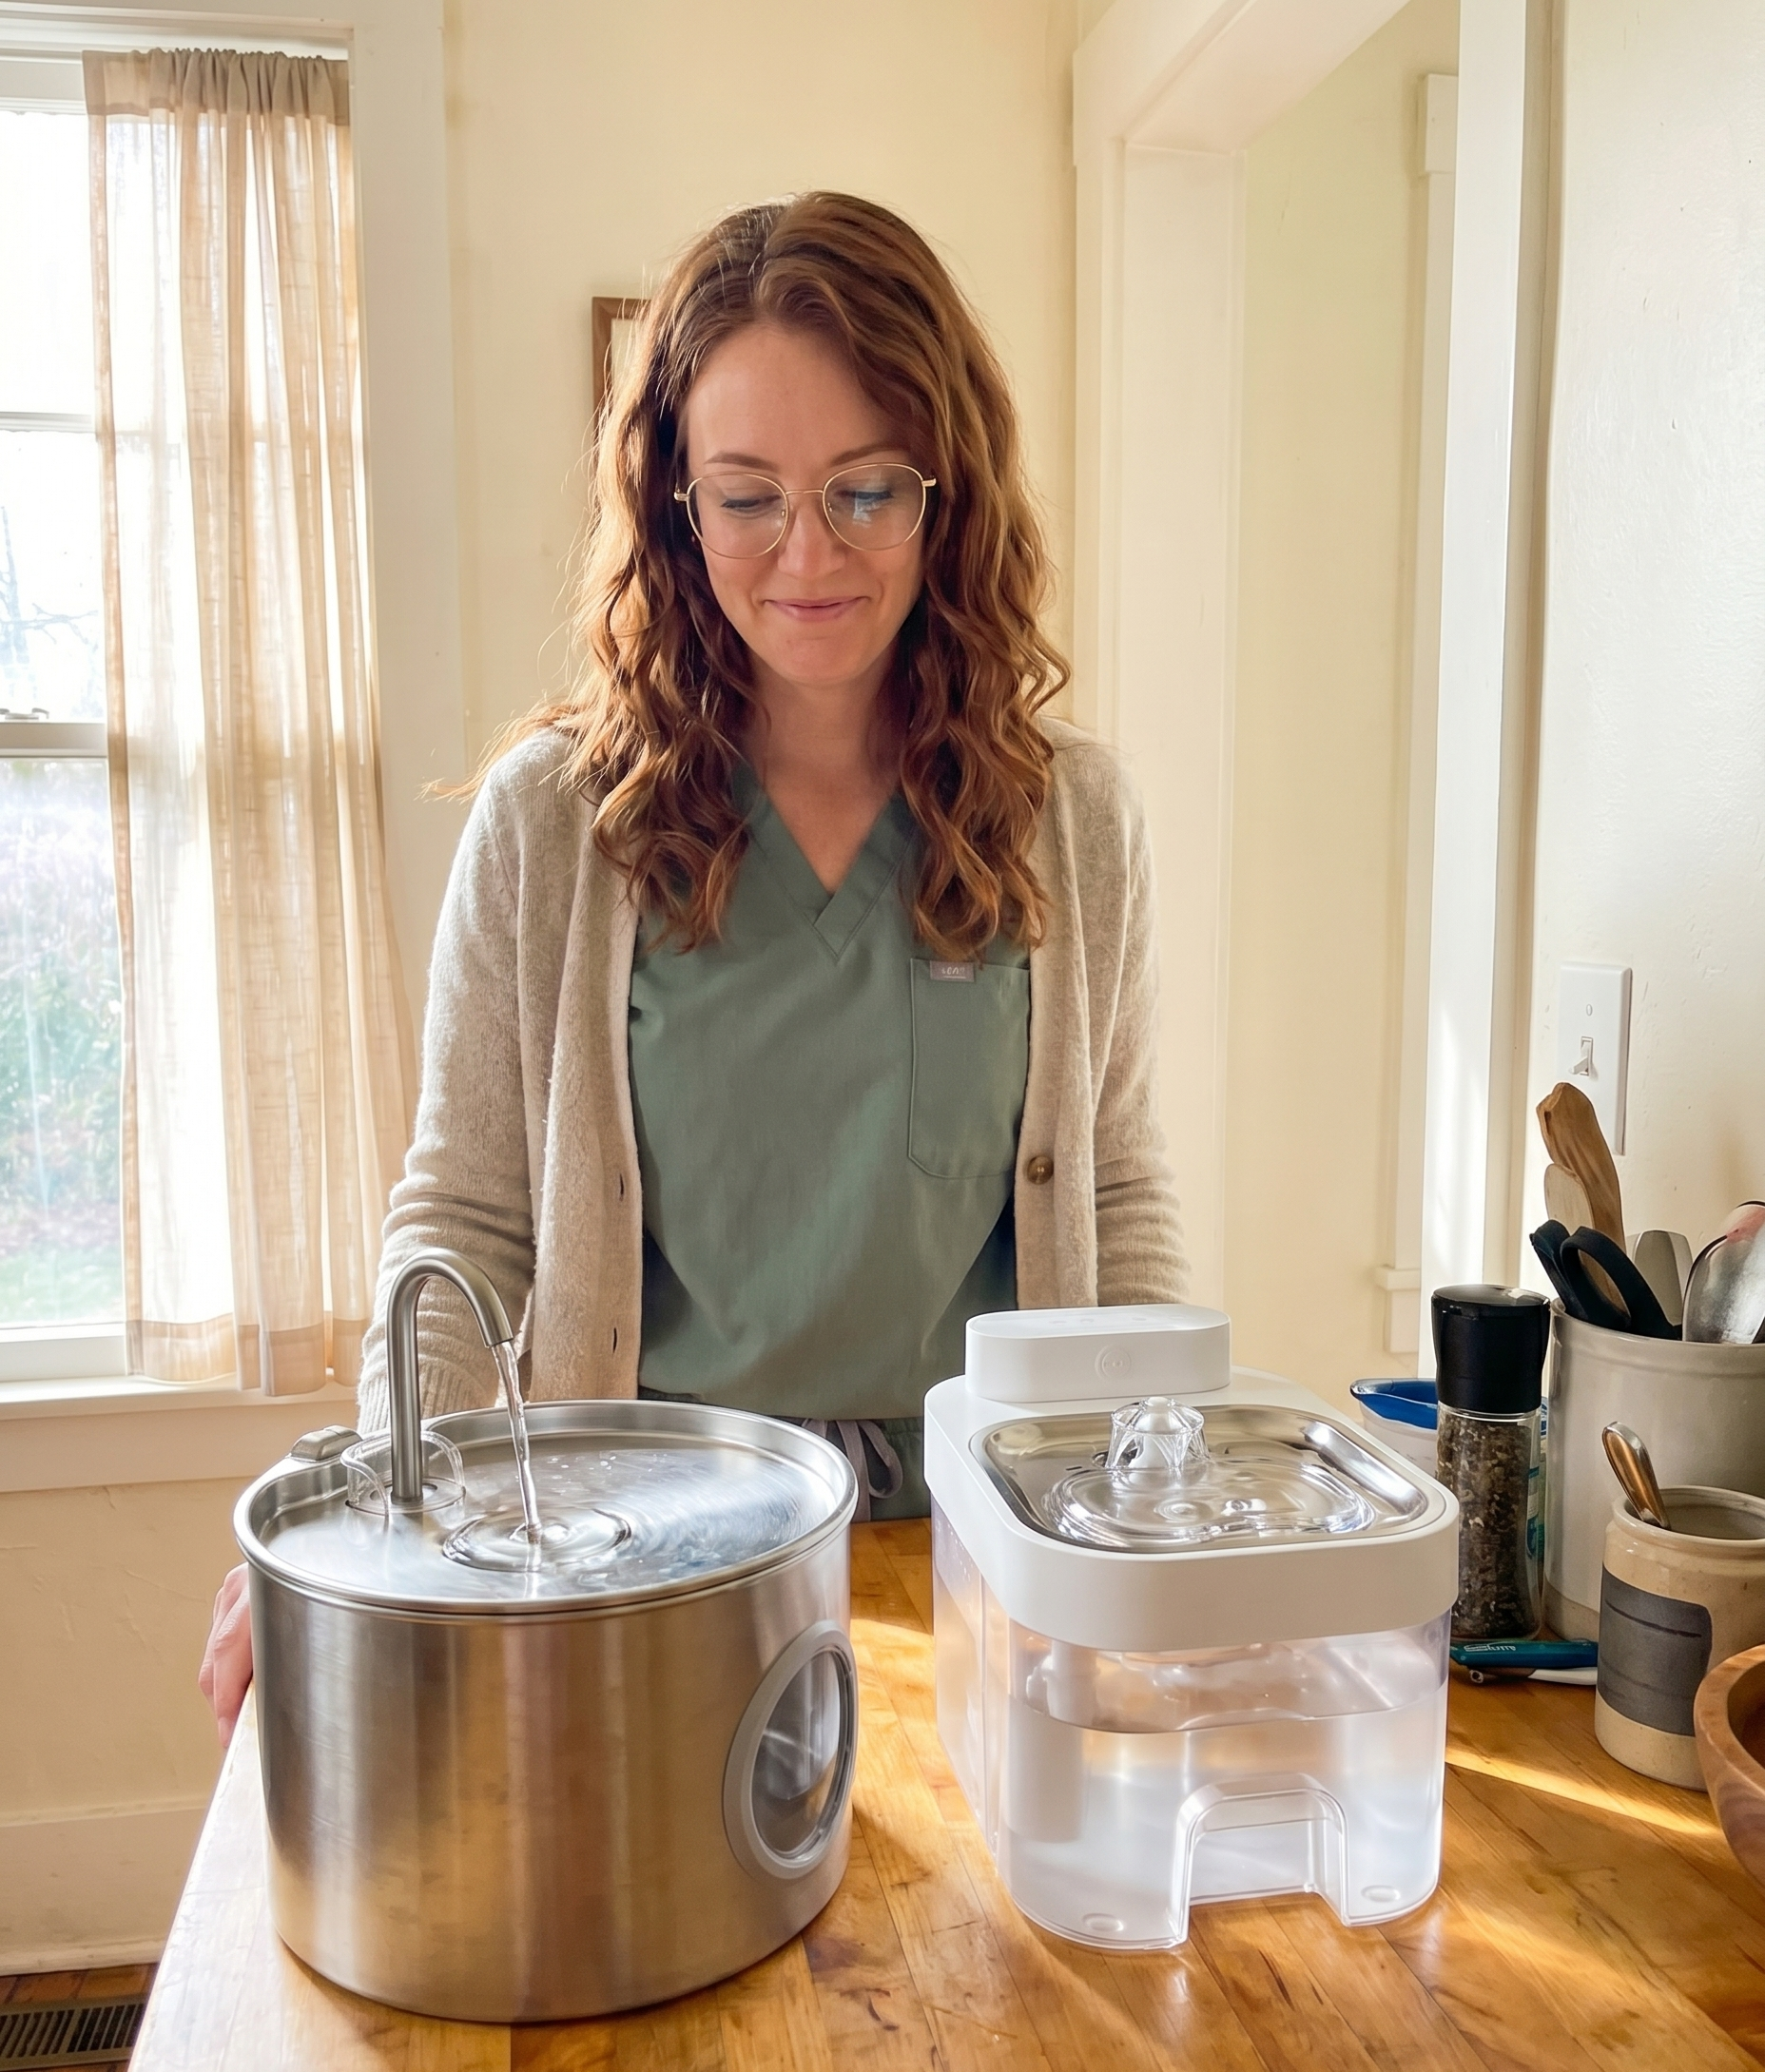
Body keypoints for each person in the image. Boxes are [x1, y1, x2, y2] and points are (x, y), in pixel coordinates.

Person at [199, 189, 1182, 1741]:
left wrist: (1161, 1501)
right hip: (654, 1554)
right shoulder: (553, 828)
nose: (810, 553)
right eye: (747, 496)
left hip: (992, 1550)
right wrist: (380, 1517)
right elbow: (465, 1217)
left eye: (867, 489)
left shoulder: (1073, 823)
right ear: (673, 505)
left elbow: (1114, 1196)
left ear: (951, 497)